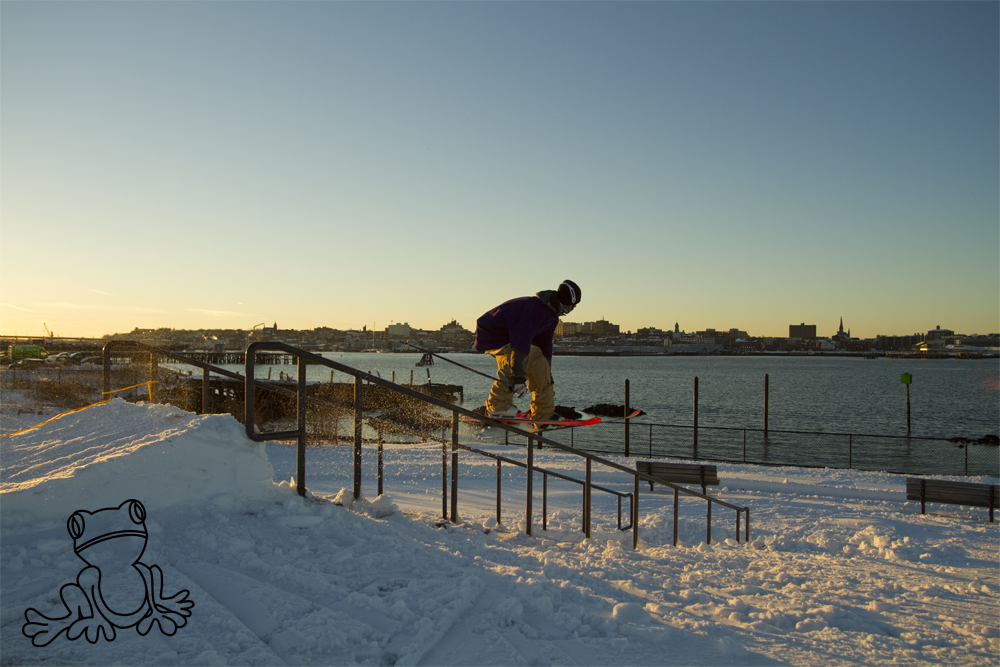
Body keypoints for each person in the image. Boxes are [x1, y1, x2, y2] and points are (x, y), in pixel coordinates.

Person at [473, 280, 581, 430]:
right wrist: (518, 378)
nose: (572, 309)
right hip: (493, 334)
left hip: (513, 338)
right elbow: (521, 342)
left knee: (537, 360)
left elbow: (545, 347)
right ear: (565, 302)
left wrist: (546, 374)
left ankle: (543, 413)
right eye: (572, 306)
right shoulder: (534, 308)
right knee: (527, 355)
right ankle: (497, 405)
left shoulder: (552, 317)